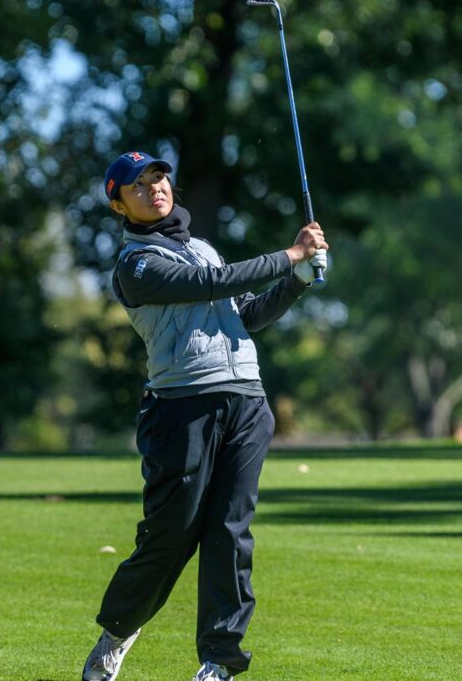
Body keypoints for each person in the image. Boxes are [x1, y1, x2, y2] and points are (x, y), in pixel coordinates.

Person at [81, 151, 329, 681]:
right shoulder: (136, 264)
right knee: (171, 536)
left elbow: (246, 314)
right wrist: (290, 254)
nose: (156, 188)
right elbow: (209, 287)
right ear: (119, 203)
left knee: (229, 532)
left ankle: (220, 660)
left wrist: (299, 279)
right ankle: (119, 630)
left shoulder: (202, 248)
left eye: (160, 177)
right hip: (182, 409)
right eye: (140, 186)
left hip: (246, 403)